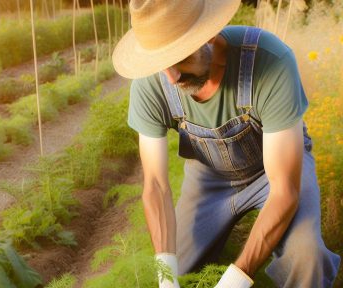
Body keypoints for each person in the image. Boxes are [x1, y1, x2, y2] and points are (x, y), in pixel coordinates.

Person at [111, 0, 341, 287]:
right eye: (161, 65)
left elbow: (285, 189)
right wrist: (165, 276)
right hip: (208, 178)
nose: (171, 78)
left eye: (180, 59)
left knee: (308, 258)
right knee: (177, 269)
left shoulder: (269, 61)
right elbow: (156, 185)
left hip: (273, 175)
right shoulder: (151, 85)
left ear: (208, 34)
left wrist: (237, 277)